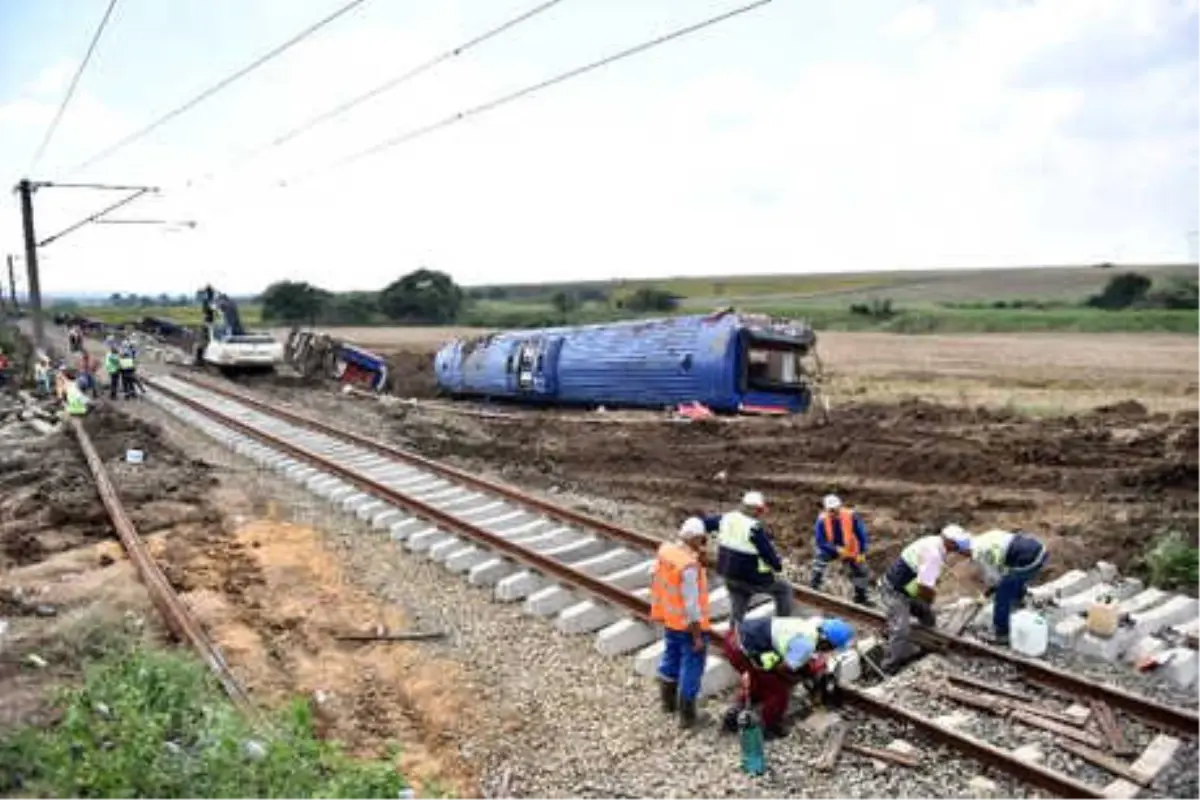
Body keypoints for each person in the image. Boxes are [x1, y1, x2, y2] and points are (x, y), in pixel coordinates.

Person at [721, 616, 855, 740]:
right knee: (778, 692)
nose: (829, 651)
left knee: (759, 681)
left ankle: (734, 714)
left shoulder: (811, 625)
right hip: (741, 650)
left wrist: (808, 667)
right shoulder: (806, 644)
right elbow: (783, 668)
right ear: (826, 641)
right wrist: (801, 675)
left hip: (735, 636)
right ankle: (768, 727)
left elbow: (794, 652)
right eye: (831, 647)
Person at [879, 526, 972, 673]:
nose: (961, 546)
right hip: (894, 591)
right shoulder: (933, 554)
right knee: (901, 630)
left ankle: (924, 645)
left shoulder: (936, 542)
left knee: (928, 616)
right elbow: (924, 588)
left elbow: (924, 583)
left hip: (908, 589)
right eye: (958, 544)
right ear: (949, 542)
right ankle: (889, 666)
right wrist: (928, 601)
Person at [650, 517, 712, 729]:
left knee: (671, 658)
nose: (704, 543)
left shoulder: (666, 551)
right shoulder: (688, 566)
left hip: (671, 620)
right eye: (702, 539)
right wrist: (697, 636)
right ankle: (688, 717)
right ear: (694, 538)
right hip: (688, 626)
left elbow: (655, 576)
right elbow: (692, 605)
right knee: (691, 668)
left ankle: (667, 704)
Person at [702, 491, 793, 625]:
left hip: (729, 575)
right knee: (784, 589)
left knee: (738, 604)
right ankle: (782, 626)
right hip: (751, 578)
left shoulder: (726, 518)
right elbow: (769, 555)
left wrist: (700, 542)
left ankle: (733, 637)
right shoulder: (753, 528)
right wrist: (779, 568)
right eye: (760, 510)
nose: (761, 514)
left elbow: (703, 524)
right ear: (755, 510)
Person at [966, 527, 1049, 646]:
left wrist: (987, 594)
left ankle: (1002, 633)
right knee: (1014, 578)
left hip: (1031, 558)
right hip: (1040, 551)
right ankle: (1019, 601)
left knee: (1002, 595)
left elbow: (995, 579)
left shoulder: (981, 552)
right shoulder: (988, 537)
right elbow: (1000, 569)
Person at [810, 494, 872, 606]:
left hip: (850, 549)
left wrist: (862, 552)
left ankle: (861, 597)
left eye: (836, 510)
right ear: (826, 510)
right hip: (832, 548)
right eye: (831, 511)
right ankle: (814, 587)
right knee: (819, 560)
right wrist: (836, 549)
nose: (834, 513)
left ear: (840, 507)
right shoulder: (821, 520)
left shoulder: (851, 516)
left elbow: (861, 535)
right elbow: (820, 542)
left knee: (861, 570)